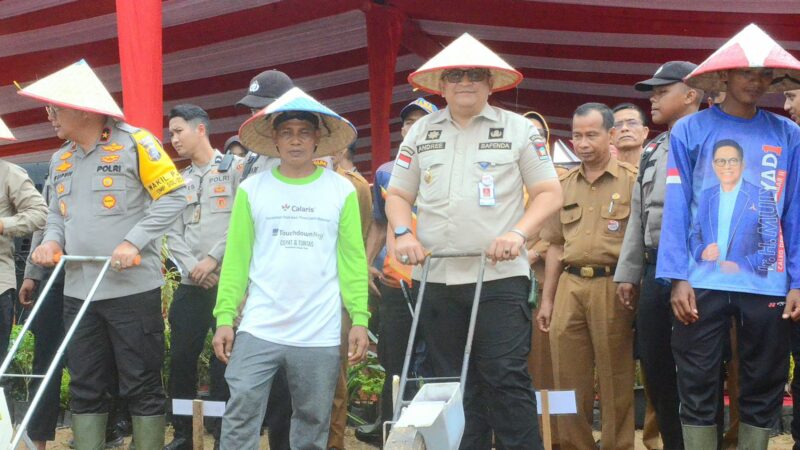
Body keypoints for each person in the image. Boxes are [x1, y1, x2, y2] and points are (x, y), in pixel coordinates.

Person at [387, 33, 562, 449]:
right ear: (442, 84)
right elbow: (397, 195)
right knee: (450, 382)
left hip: (500, 277)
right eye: (456, 74)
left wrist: (517, 234)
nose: (465, 81)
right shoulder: (420, 132)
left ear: (490, 83)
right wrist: (402, 232)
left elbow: (550, 193)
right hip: (438, 276)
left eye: (475, 74)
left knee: (504, 375)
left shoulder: (519, 129)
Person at [26, 60, 187, 450]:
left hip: (132, 291)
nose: (49, 117)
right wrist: (50, 242)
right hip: (79, 293)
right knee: (84, 382)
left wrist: (133, 241)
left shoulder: (136, 142)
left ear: (83, 108)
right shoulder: (59, 159)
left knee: (141, 382)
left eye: (55, 108)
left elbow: (175, 194)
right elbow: (56, 215)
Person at [656, 24, 800, 449]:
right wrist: (677, 276)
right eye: (745, 73)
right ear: (724, 77)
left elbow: (793, 212)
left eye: (763, 74)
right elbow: (677, 210)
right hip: (701, 282)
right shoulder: (690, 130)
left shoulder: (788, 135)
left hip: (767, 282)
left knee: (765, 379)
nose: (755, 82)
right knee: (697, 381)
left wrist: (797, 280)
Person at [212, 87, 369, 449]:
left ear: (318, 139)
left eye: (304, 132)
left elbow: (352, 261)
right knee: (241, 412)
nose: (295, 140)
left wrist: (359, 317)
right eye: (287, 132)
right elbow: (237, 259)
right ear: (275, 140)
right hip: (259, 324)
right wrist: (224, 317)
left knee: (313, 419)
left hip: (319, 330)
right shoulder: (253, 189)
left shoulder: (340, 191)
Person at [538, 103, 638, 450]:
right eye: (577, 135)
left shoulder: (631, 181)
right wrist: (548, 299)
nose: (582, 143)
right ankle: (575, 444)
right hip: (569, 284)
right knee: (567, 376)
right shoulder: (562, 185)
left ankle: (617, 445)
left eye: (591, 135)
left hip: (613, 285)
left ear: (610, 136)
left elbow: (640, 242)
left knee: (615, 376)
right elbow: (553, 245)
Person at [614, 60, 702, 450]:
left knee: (698, 373)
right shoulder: (653, 148)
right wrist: (628, 273)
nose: (654, 98)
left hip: (698, 273)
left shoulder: (711, 139)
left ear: (691, 94)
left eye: (663, 90)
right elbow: (639, 214)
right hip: (653, 269)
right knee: (656, 368)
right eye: (653, 91)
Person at [355, 97, 438, 444]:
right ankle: (390, 423)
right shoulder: (386, 172)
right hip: (394, 280)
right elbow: (377, 223)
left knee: (434, 355)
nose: (411, 127)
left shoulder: (447, 168)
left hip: (437, 280)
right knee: (393, 354)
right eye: (407, 122)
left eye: (421, 121)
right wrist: (365, 264)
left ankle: (432, 426)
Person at [163, 104, 243, 450]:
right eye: (171, 133)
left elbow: (243, 222)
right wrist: (194, 266)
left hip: (229, 281)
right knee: (181, 357)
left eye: (178, 131)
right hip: (192, 283)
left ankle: (224, 432)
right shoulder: (179, 181)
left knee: (227, 360)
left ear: (200, 130)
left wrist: (213, 260)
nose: (173, 139)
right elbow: (171, 232)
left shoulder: (237, 169)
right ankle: (183, 432)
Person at [234, 68, 295, 449]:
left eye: (264, 107)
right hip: (259, 285)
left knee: (293, 389)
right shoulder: (253, 160)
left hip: (295, 287)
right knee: (260, 384)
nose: (256, 114)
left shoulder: (312, 159)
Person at [328, 142, 372, 450]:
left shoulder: (353, 187)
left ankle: (332, 444)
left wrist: (358, 310)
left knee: (334, 380)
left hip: (337, 293)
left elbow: (359, 241)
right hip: (289, 295)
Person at [611, 103, 650, 167]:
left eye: (632, 123)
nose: (624, 128)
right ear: (610, 136)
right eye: (617, 125)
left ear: (645, 132)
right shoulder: (600, 171)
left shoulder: (659, 166)